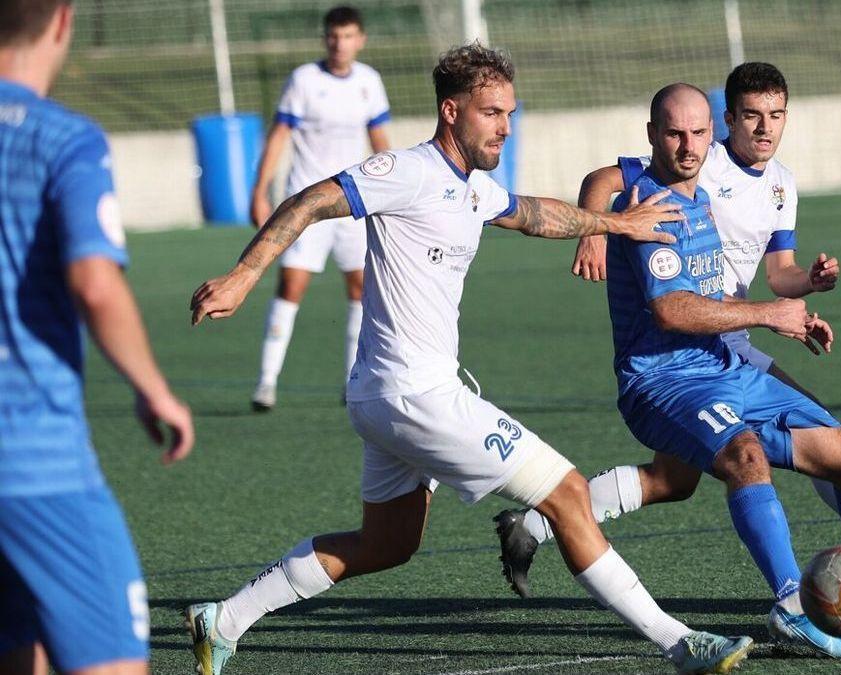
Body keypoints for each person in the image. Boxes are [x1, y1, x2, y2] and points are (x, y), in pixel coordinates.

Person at [186, 43, 751, 675]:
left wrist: (614, 225)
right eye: (491, 112)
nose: (505, 126)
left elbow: (535, 214)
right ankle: (681, 645)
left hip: (386, 397)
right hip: (415, 394)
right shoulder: (406, 171)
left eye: (510, 112)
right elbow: (309, 202)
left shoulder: (473, 188)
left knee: (388, 543)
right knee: (566, 494)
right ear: (451, 111)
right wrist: (242, 275)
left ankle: (224, 618)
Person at [510, 82, 841, 661]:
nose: (688, 145)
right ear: (654, 136)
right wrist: (596, 228)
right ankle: (793, 606)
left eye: (696, 133)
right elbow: (671, 308)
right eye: (674, 134)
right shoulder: (651, 208)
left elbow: (773, 272)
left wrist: (794, 305)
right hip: (664, 381)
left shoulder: (744, 190)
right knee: (744, 457)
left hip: (726, 360)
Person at [0, 2, 195, 674]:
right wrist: (154, 389)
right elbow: (94, 282)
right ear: (61, 20)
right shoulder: (64, 138)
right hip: (34, 461)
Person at [248, 5, 391, 411]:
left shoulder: (369, 82)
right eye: (333, 36)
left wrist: (392, 191)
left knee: (360, 289)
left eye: (347, 36)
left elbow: (380, 140)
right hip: (306, 204)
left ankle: (352, 383)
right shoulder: (304, 80)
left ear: (359, 40)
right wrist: (260, 191)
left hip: (352, 202)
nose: (339, 44)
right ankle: (266, 383)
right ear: (324, 38)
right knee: (291, 285)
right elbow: (278, 136)